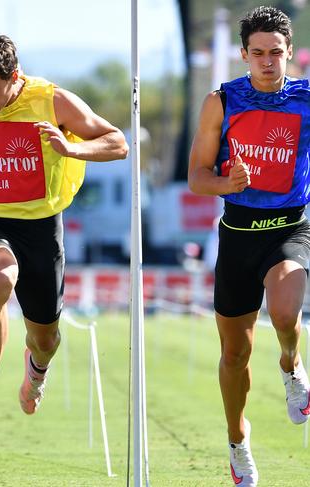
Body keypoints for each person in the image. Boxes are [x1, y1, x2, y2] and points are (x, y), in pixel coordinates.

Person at [0, 32, 128, 444]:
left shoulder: (52, 101)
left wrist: (72, 151)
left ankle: (35, 371)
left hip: (40, 227)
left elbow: (118, 143)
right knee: (1, 278)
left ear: (14, 76)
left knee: (45, 339)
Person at [188, 7, 310, 486]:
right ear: (243, 55)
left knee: (285, 315)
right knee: (234, 355)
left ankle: (290, 363)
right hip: (238, 236)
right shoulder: (221, 101)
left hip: (289, 230)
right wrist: (225, 182)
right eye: (257, 53)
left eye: (275, 53)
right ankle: (238, 443)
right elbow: (198, 177)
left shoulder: (306, 100)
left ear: (288, 53)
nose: (267, 61)